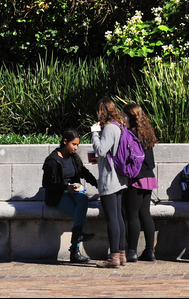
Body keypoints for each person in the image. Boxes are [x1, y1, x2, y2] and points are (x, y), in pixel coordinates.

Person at [41, 129, 97, 263]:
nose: (75, 148)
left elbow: (83, 172)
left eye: (77, 145)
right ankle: (74, 251)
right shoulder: (52, 160)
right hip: (58, 194)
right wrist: (66, 187)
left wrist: (97, 184)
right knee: (80, 214)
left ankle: (76, 239)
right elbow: (46, 184)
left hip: (74, 191)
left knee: (83, 199)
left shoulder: (73, 158)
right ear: (65, 142)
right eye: (73, 144)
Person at [91, 97, 128, 268]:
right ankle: (121, 255)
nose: (98, 114)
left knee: (112, 218)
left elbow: (101, 149)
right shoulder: (119, 126)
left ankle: (113, 257)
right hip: (119, 178)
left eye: (99, 111)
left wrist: (94, 133)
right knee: (119, 217)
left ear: (103, 111)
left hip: (110, 179)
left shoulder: (108, 129)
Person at [121, 103, 158, 263]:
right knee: (145, 214)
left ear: (129, 117)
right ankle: (150, 251)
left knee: (132, 214)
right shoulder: (145, 133)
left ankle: (131, 252)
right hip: (148, 177)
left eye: (123, 115)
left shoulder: (129, 134)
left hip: (136, 178)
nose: (121, 118)